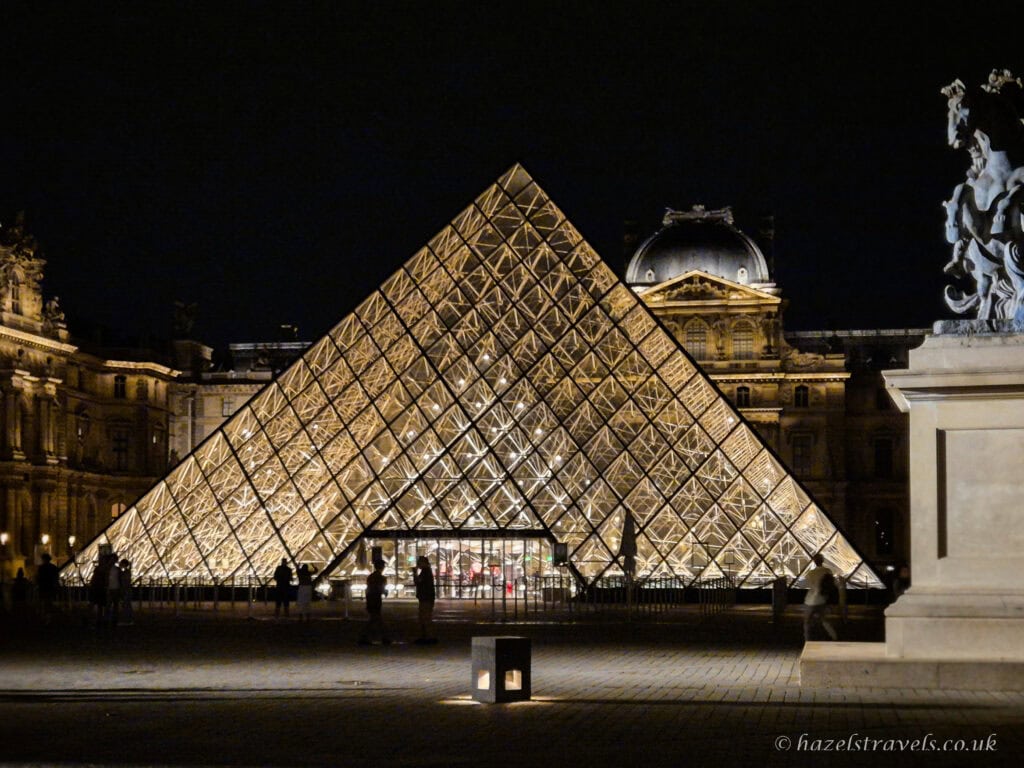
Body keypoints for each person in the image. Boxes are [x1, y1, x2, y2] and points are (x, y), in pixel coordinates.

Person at [803, 554, 838, 641]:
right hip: (822, 600)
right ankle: (835, 637)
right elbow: (833, 584)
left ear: (814, 561)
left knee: (807, 622)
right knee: (824, 620)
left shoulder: (810, 573)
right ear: (823, 560)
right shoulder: (828, 571)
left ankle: (808, 640)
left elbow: (805, 584)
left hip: (810, 601)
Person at [358, 560, 389, 645]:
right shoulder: (381, 578)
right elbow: (381, 589)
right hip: (376, 600)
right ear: (382, 567)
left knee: (374, 619)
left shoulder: (371, 577)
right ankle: (382, 637)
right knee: (376, 619)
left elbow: (369, 589)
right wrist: (385, 592)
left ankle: (368, 637)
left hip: (370, 599)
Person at [413, 555, 436, 644]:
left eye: (419, 562)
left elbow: (418, 582)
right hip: (426, 597)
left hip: (426, 598)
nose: (418, 564)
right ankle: (426, 636)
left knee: (425, 618)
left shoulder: (425, 571)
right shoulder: (426, 571)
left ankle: (428, 637)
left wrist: (415, 573)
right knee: (424, 617)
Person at [35, 553, 60, 622]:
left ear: (43, 559)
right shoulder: (54, 567)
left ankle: (44, 617)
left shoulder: (41, 568)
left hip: (43, 588)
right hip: (50, 588)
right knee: (49, 603)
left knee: (43, 603)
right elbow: (56, 578)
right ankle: (49, 617)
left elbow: (38, 578)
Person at [106, 556, 123, 627]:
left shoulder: (117, 569)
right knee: (108, 605)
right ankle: (108, 620)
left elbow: (120, 578)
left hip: (116, 589)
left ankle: (114, 620)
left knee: (115, 606)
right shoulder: (107, 569)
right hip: (110, 589)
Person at [119, 559, 134, 624]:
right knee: (127, 605)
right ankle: (129, 619)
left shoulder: (126, 572)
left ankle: (127, 620)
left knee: (126, 605)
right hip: (126, 590)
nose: (120, 565)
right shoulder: (126, 572)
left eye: (121, 563)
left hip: (126, 590)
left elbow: (126, 582)